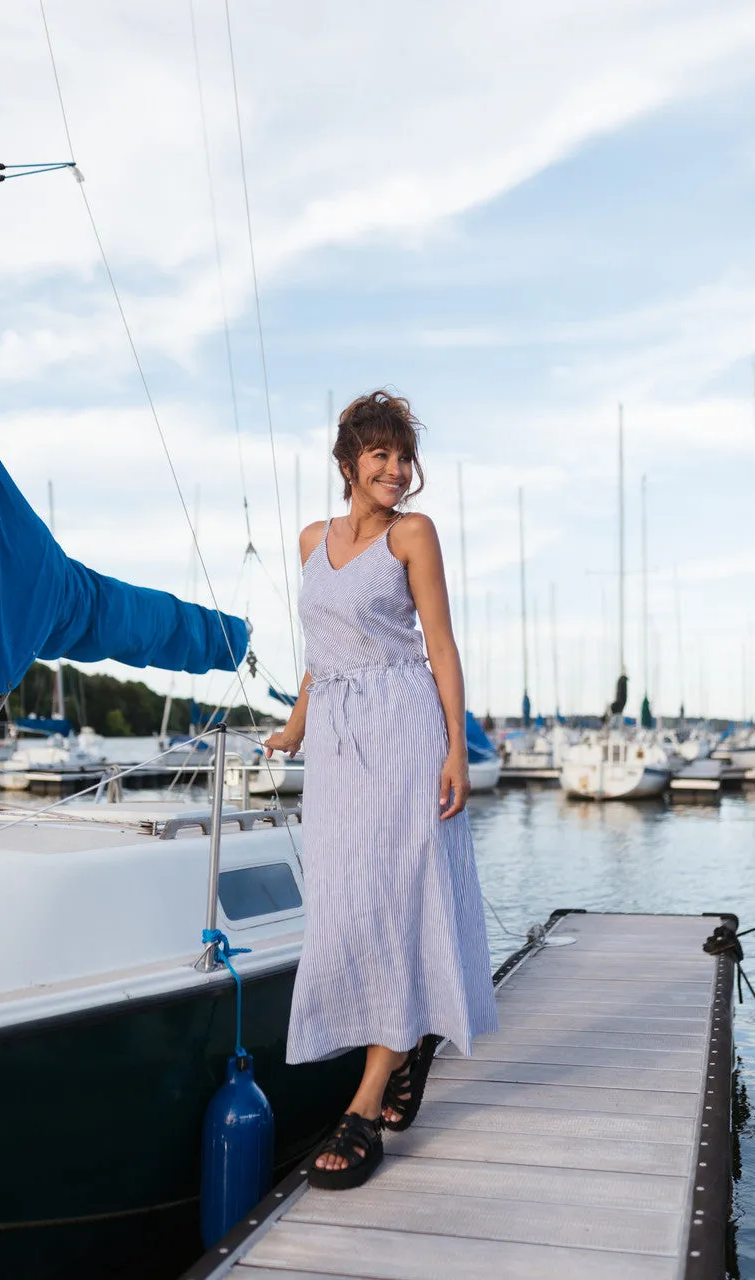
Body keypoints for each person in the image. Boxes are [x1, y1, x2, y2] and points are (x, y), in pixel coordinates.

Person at [264, 390, 497, 1191]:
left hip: (402, 728)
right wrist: (295, 726)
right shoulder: (309, 540)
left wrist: (457, 753)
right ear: (346, 465)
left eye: (403, 458)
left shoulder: (412, 535)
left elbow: (440, 644)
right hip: (333, 742)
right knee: (343, 908)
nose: (396, 472)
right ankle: (407, 1041)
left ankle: (363, 1107)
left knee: (397, 898)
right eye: (380, 457)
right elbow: (319, 648)